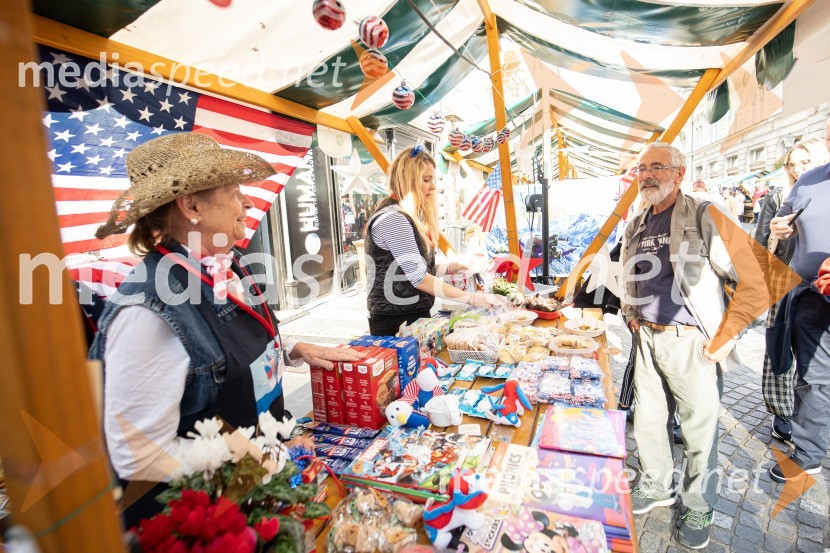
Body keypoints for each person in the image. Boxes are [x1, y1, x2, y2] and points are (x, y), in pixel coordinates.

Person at [89, 133, 362, 527]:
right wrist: (258, 458)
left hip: (260, 493)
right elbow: (138, 455)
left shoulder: (226, 263)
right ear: (191, 205)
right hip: (207, 522)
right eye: (234, 192)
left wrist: (293, 349)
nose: (248, 202)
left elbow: (225, 344)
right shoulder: (148, 314)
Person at [620, 142, 764, 549]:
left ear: (679, 173)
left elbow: (756, 278)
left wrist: (730, 334)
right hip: (646, 336)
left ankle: (698, 502)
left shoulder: (705, 215)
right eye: (642, 168)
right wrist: (631, 314)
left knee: (699, 431)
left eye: (657, 167)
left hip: (692, 342)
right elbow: (629, 275)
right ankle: (656, 484)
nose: (647, 175)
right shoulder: (637, 221)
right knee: (648, 420)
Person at [365, 146, 505, 336]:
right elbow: (420, 279)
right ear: (408, 180)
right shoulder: (394, 219)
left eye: (433, 180)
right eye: (426, 180)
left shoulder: (406, 216)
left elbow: (413, 270)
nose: (432, 186)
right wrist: (473, 298)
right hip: (394, 322)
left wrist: (453, 266)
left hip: (412, 316)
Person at [755, 138, 829, 444]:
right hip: (786, 282)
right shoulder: (778, 196)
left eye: (804, 162)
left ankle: (811, 420)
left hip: (818, 285)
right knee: (781, 350)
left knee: (816, 364)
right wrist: (777, 230)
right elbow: (760, 239)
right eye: (792, 164)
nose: (797, 170)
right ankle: (782, 412)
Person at [768, 115, 830, 482]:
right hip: (811, 298)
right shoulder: (809, 180)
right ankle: (808, 453)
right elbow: (782, 219)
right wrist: (780, 226)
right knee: (813, 377)